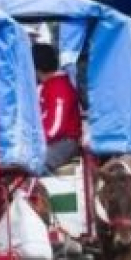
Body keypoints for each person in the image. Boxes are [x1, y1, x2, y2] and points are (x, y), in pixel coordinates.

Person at [34, 43, 82, 172]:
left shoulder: (59, 88)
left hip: (64, 142)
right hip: (51, 140)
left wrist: (36, 141)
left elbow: (55, 127)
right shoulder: (47, 86)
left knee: (35, 163)